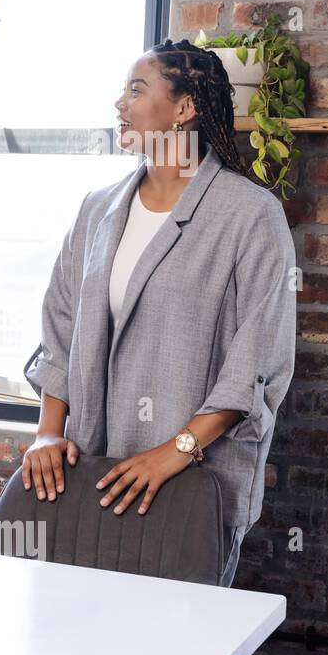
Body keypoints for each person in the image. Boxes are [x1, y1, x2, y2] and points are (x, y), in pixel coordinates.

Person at [21, 39, 297, 587]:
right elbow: (62, 324)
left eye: (136, 90)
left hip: (190, 485)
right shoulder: (98, 209)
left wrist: (176, 452)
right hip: (89, 475)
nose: (119, 103)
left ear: (184, 108)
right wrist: (48, 433)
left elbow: (256, 361)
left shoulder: (250, 215)